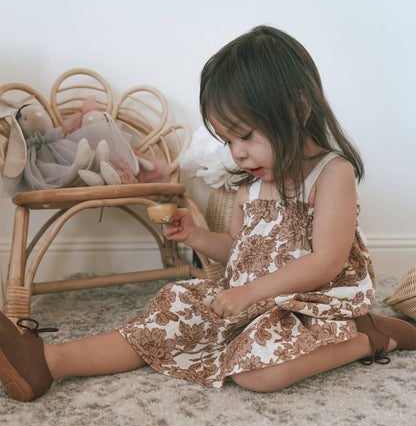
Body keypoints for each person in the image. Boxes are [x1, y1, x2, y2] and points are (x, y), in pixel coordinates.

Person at [1, 25, 416, 402]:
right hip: (245, 301)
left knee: (256, 374)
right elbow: (239, 250)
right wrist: (197, 237)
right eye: (227, 140)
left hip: (309, 304)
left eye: (246, 135)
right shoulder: (249, 185)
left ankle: (367, 336)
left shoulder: (331, 174)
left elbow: (327, 261)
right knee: (166, 322)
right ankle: (47, 360)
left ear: (298, 111)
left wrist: (249, 293)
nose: (237, 152)